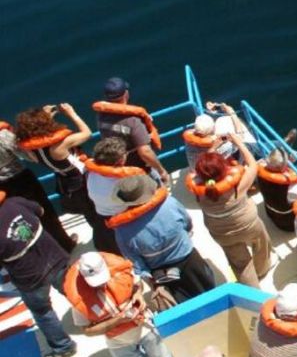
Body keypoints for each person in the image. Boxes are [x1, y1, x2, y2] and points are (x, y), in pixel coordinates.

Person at [64, 251, 180, 357]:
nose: (101, 285)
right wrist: (118, 320)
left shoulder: (122, 272)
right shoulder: (79, 301)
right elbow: (87, 330)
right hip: (118, 341)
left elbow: (138, 285)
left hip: (143, 325)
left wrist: (138, 296)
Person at [15, 103, 117, 253]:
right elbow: (87, 133)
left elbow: (37, 138)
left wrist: (45, 117)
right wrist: (71, 113)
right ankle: (111, 244)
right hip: (83, 182)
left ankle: (103, 243)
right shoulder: (60, 145)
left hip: (67, 184)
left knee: (91, 216)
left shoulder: (32, 150)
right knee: (101, 213)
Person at [109, 174, 216, 305]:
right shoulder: (169, 203)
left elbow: (135, 261)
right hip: (189, 258)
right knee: (210, 292)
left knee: (185, 305)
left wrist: (150, 280)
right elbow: (187, 223)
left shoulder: (122, 230)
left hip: (161, 273)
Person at [0, 191, 77, 357]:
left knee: (42, 311)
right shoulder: (16, 202)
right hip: (55, 258)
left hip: (29, 277)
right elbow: (40, 210)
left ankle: (63, 346)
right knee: (74, 290)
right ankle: (95, 315)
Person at [185, 139, 271, 288]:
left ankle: (254, 293)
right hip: (248, 225)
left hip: (221, 234)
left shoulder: (198, 192)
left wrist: (212, 148)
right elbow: (252, 165)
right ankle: (262, 270)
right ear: (223, 169)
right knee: (262, 242)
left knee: (240, 264)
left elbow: (202, 171)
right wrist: (238, 142)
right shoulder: (237, 187)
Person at [0, 121, 76, 253]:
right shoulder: (3, 135)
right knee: (44, 211)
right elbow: (30, 156)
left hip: (2, 188)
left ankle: (38, 251)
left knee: (18, 220)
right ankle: (65, 245)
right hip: (20, 180)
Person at [93, 77, 170, 185]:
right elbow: (145, 152)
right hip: (139, 167)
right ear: (126, 94)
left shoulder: (101, 115)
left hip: (117, 165)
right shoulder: (133, 120)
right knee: (155, 188)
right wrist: (162, 171)